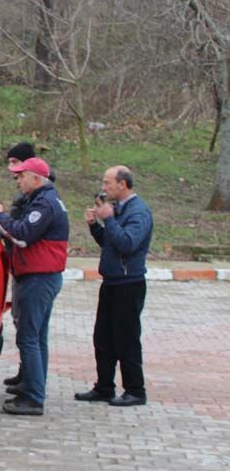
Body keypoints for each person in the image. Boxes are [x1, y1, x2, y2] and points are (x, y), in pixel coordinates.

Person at [0, 156, 68, 416]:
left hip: (38, 278)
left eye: (22, 176)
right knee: (37, 337)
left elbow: (22, 236)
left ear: (36, 178)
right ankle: (33, 388)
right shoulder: (42, 201)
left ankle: (34, 397)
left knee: (29, 338)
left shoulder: (44, 204)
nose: (18, 180)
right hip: (39, 276)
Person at [75, 166, 153, 407]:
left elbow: (127, 244)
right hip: (111, 282)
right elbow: (110, 243)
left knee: (126, 339)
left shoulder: (138, 212)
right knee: (103, 338)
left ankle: (135, 390)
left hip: (129, 285)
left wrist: (108, 218)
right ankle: (104, 387)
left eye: (108, 182)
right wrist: (95, 226)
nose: (104, 187)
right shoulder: (119, 209)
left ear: (123, 184)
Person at [0, 142, 37, 390]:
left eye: (15, 163)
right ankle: (27, 374)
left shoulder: (38, 197)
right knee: (22, 325)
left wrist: (1, 219)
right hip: (20, 267)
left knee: (29, 330)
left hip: (32, 270)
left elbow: (23, 231)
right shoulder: (25, 194)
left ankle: (32, 385)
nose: (11, 170)